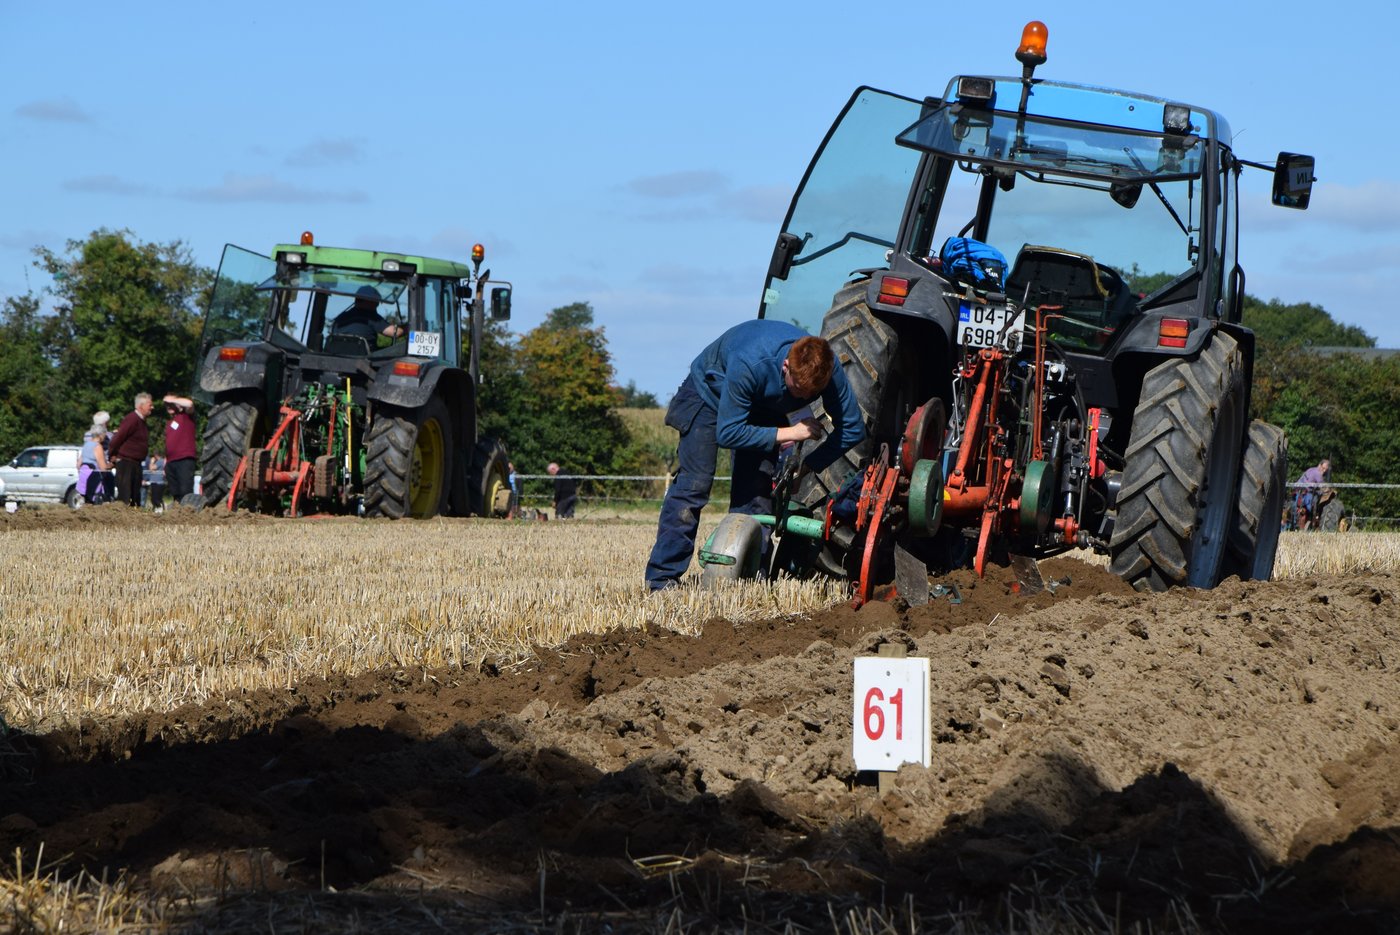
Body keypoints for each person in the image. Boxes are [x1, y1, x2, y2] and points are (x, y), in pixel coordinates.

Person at [644, 319, 865, 592]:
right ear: (786, 367)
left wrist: (806, 467)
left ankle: (746, 580)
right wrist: (792, 432)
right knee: (693, 487)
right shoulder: (751, 362)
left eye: (812, 394)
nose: (804, 397)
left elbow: (854, 429)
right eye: (798, 390)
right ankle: (662, 579)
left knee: (757, 498)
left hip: (763, 407)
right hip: (708, 397)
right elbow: (728, 433)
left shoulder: (827, 369)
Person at [108, 393, 155, 506]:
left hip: (136, 463)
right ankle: (122, 521)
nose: (152, 407)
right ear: (141, 406)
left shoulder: (142, 421)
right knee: (126, 496)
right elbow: (118, 438)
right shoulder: (132, 419)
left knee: (134, 496)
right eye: (150, 405)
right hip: (126, 463)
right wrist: (112, 456)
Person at [331, 285, 403, 340]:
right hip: (363, 358)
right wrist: (407, 329)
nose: (376, 306)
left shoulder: (340, 318)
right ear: (370, 301)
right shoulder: (371, 317)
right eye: (376, 302)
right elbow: (395, 332)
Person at [162, 395, 198, 503]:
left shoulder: (187, 416)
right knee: (175, 492)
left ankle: (188, 515)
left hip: (184, 460)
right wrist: (165, 463)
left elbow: (190, 404)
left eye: (171, 404)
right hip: (171, 462)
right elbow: (169, 444)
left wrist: (172, 400)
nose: (169, 406)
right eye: (167, 405)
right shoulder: (169, 423)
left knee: (185, 491)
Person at [1294, 458, 1332, 532]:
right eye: (1323, 468)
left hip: (1298, 491)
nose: (1324, 471)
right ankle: (1313, 518)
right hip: (1306, 493)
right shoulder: (1318, 473)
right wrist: (1328, 489)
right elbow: (1323, 487)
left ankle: (1298, 525)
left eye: (1325, 470)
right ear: (1319, 465)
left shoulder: (1311, 469)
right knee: (1311, 506)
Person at [78, 422, 112, 504]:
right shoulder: (97, 446)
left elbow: (78, 464)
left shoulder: (86, 445)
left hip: (83, 477)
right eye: (104, 434)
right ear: (100, 435)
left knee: (87, 502)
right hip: (94, 478)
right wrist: (110, 466)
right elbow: (103, 467)